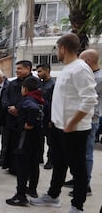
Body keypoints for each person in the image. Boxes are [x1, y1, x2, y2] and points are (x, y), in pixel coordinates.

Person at [30, 34, 97, 213]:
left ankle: (77, 206)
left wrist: (71, 123)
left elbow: (90, 100)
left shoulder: (80, 68)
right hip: (60, 128)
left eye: (56, 48)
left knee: (78, 169)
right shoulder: (68, 68)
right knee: (59, 164)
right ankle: (53, 196)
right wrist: (55, 121)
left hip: (74, 130)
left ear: (62, 48)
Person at [64, 49, 102, 197]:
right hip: (82, 118)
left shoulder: (98, 78)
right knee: (79, 153)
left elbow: (86, 98)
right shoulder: (91, 75)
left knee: (86, 154)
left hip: (91, 119)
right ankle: (78, 179)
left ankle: (85, 186)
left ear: (87, 61)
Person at [6, 77, 45, 206]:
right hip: (38, 138)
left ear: (25, 89)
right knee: (34, 164)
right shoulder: (42, 100)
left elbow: (32, 109)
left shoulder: (28, 101)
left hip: (25, 138)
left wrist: (29, 123)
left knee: (22, 166)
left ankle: (20, 195)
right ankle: (32, 189)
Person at [1, 60, 36, 174]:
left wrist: (18, 109)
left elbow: (35, 100)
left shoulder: (34, 83)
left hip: (26, 120)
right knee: (11, 143)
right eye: (17, 69)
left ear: (28, 69)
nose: (17, 71)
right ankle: (12, 167)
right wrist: (9, 108)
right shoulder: (12, 83)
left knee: (24, 145)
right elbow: (5, 97)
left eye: (20, 68)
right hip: (11, 119)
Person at [36, 63, 55, 169]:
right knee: (39, 138)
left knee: (50, 140)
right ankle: (39, 157)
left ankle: (50, 160)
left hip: (49, 115)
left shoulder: (53, 84)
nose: (38, 74)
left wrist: (52, 119)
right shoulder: (40, 84)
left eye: (40, 71)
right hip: (40, 114)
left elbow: (54, 102)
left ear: (47, 70)